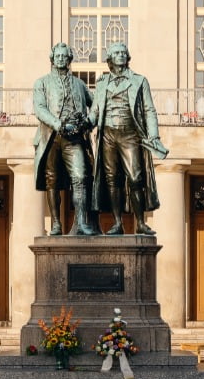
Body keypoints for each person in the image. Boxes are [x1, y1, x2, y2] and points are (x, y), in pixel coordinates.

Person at [88, 42, 168, 234]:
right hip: (107, 134)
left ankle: (140, 222)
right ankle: (117, 223)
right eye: (116, 53)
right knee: (111, 179)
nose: (121, 55)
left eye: (124, 53)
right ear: (110, 59)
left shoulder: (140, 81)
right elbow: (95, 112)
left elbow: (149, 109)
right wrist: (82, 124)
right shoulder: (101, 83)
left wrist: (154, 135)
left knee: (135, 177)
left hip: (130, 133)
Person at [32, 43, 94, 236]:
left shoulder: (80, 84)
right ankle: (56, 223)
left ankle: (81, 222)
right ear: (52, 59)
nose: (60, 59)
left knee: (80, 177)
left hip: (74, 137)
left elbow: (96, 107)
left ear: (69, 59)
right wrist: (58, 124)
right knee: (52, 180)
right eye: (57, 56)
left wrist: (88, 122)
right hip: (52, 136)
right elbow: (40, 108)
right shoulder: (41, 83)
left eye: (64, 56)